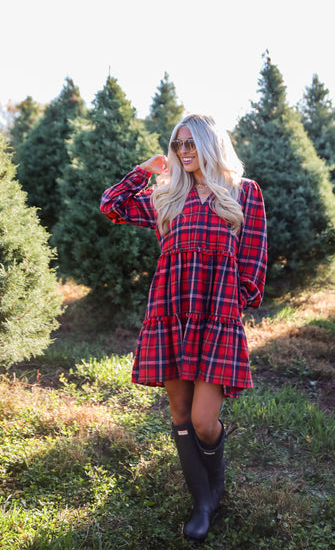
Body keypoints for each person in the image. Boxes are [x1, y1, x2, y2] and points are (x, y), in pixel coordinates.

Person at [100, 114, 267, 541]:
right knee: (179, 413)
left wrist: (235, 307)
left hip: (216, 317)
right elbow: (111, 206)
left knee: (204, 421)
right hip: (170, 313)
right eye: (178, 145)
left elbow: (253, 261)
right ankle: (204, 502)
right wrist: (144, 171)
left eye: (192, 143)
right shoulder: (167, 196)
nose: (184, 151)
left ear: (211, 144)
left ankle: (217, 486)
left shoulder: (242, 193)